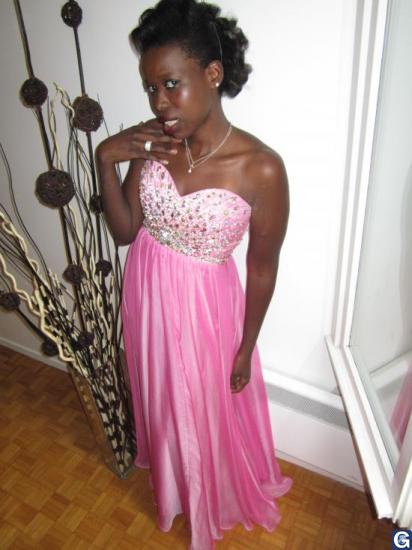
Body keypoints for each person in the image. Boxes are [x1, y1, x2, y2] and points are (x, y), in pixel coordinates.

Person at [96, 0, 292, 547]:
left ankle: (209, 492)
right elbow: (124, 230)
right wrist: (105, 159)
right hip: (147, 289)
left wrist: (246, 346)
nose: (159, 103)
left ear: (213, 74)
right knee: (162, 397)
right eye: (150, 88)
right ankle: (175, 483)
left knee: (204, 407)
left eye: (170, 84)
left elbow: (262, 268)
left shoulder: (262, 168)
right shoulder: (153, 141)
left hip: (207, 308)